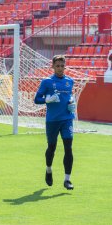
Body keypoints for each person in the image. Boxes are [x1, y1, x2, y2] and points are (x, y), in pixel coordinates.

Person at [34, 55, 76, 190]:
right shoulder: (46, 82)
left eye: (62, 66)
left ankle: (67, 180)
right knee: (51, 148)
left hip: (67, 119)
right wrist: (47, 99)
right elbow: (36, 99)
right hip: (52, 120)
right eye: (57, 66)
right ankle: (48, 170)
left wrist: (72, 103)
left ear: (65, 66)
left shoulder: (70, 81)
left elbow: (70, 96)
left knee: (68, 147)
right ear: (52, 67)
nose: (60, 68)